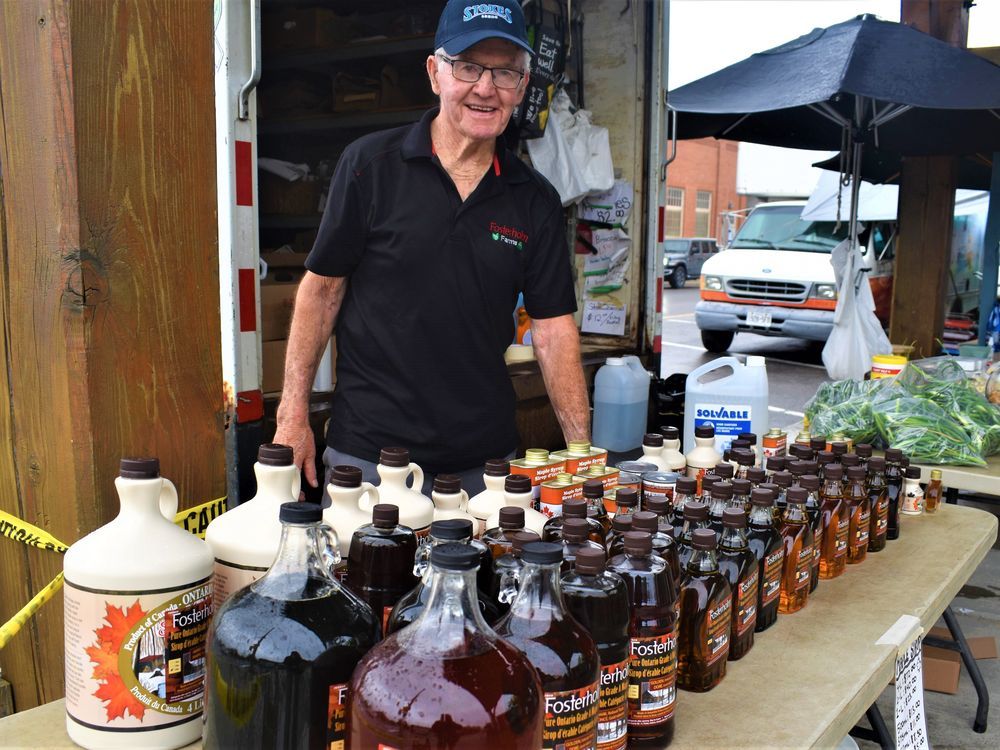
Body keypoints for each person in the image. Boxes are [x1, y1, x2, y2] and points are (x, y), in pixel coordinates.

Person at [274, 0, 589, 495]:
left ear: (523, 88)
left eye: (505, 73)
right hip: (369, 459)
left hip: (483, 468)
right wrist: (292, 414)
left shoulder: (536, 201)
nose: (486, 88)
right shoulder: (370, 167)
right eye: (468, 67)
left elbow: (552, 332)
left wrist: (581, 454)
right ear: (435, 73)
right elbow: (323, 291)